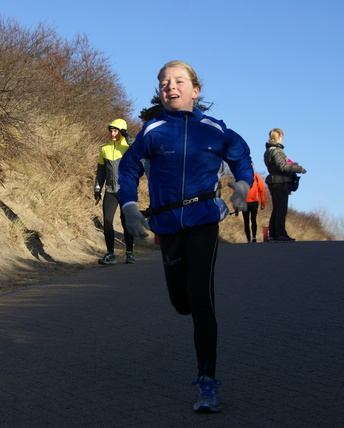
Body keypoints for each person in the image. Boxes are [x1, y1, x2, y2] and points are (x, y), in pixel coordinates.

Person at [118, 60, 253, 413]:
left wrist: (241, 184)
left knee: (201, 299)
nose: (170, 86)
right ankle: (191, 316)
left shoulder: (215, 129)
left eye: (178, 81)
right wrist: (130, 206)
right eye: (164, 82)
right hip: (166, 225)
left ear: (195, 90)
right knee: (182, 303)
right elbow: (128, 167)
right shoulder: (151, 130)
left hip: (203, 219)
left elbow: (242, 157)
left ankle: (207, 383)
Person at [94, 119, 135, 265]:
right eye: (111, 130)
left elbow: (139, 150)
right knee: (107, 221)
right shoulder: (104, 148)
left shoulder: (128, 147)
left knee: (126, 221)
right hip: (110, 190)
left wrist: (127, 136)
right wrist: (97, 187)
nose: (112, 133)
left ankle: (129, 252)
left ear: (122, 131)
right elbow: (101, 171)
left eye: (116, 130)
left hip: (126, 190)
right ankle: (110, 254)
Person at [263, 128, 307, 242]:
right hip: (279, 181)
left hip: (273, 181)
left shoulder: (268, 150)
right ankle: (280, 234)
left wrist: (292, 165)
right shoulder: (276, 150)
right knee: (281, 209)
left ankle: (273, 234)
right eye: (281, 137)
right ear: (278, 137)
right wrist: (299, 169)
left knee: (276, 209)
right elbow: (282, 166)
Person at [242, 164, 266, 242]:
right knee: (246, 221)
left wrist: (263, 202)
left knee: (253, 220)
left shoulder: (256, 177)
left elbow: (262, 190)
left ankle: (254, 237)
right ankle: (248, 239)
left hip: (254, 202)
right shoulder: (241, 176)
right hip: (244, 202)